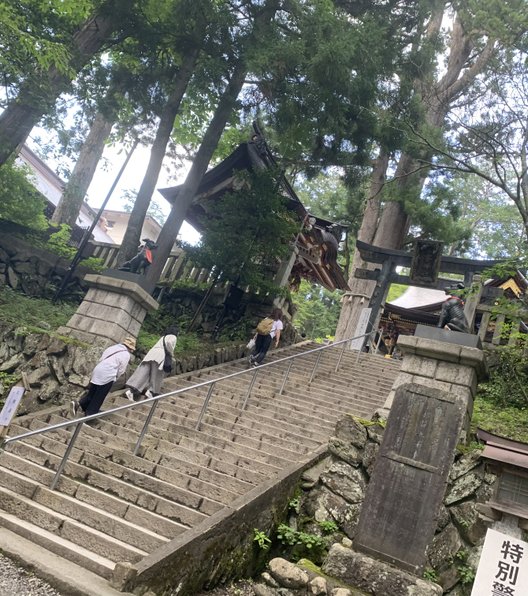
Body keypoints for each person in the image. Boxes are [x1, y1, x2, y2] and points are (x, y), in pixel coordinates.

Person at [70, 337, 136, 418]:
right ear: (130, 348)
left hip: (98, 369)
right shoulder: (126, 354)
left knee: (92, 392)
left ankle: (79, 404)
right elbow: (121, 370)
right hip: (108, 373)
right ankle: (90, 414)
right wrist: (115, 377)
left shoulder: (112, 347)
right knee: (99, 395)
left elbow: (102, 358)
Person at [125, 326, 178, 401]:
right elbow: (169, 343)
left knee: (144, 374)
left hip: (151, 354)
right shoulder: (173, 337)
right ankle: (151, 392)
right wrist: (171, 353)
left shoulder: (163, 337)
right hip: (160, 356)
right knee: (157, 375)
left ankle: (132, 391)